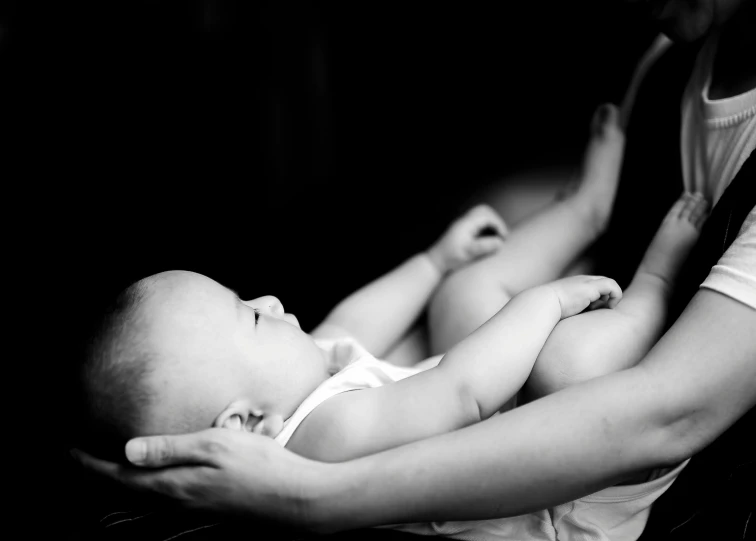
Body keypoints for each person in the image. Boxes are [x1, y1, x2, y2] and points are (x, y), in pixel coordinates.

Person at [74, 0, 755, 539]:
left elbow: (352, 322)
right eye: (248, 314)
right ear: (244, 421)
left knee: (462, 291)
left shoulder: (289, 402)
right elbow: (462, 390)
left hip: (524, 420)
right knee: (575, 359)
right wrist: (542, 306)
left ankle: (584, 209)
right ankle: (657, 283)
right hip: (558, 499)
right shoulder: (325, 435)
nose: (273, 298)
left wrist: (434, 263)